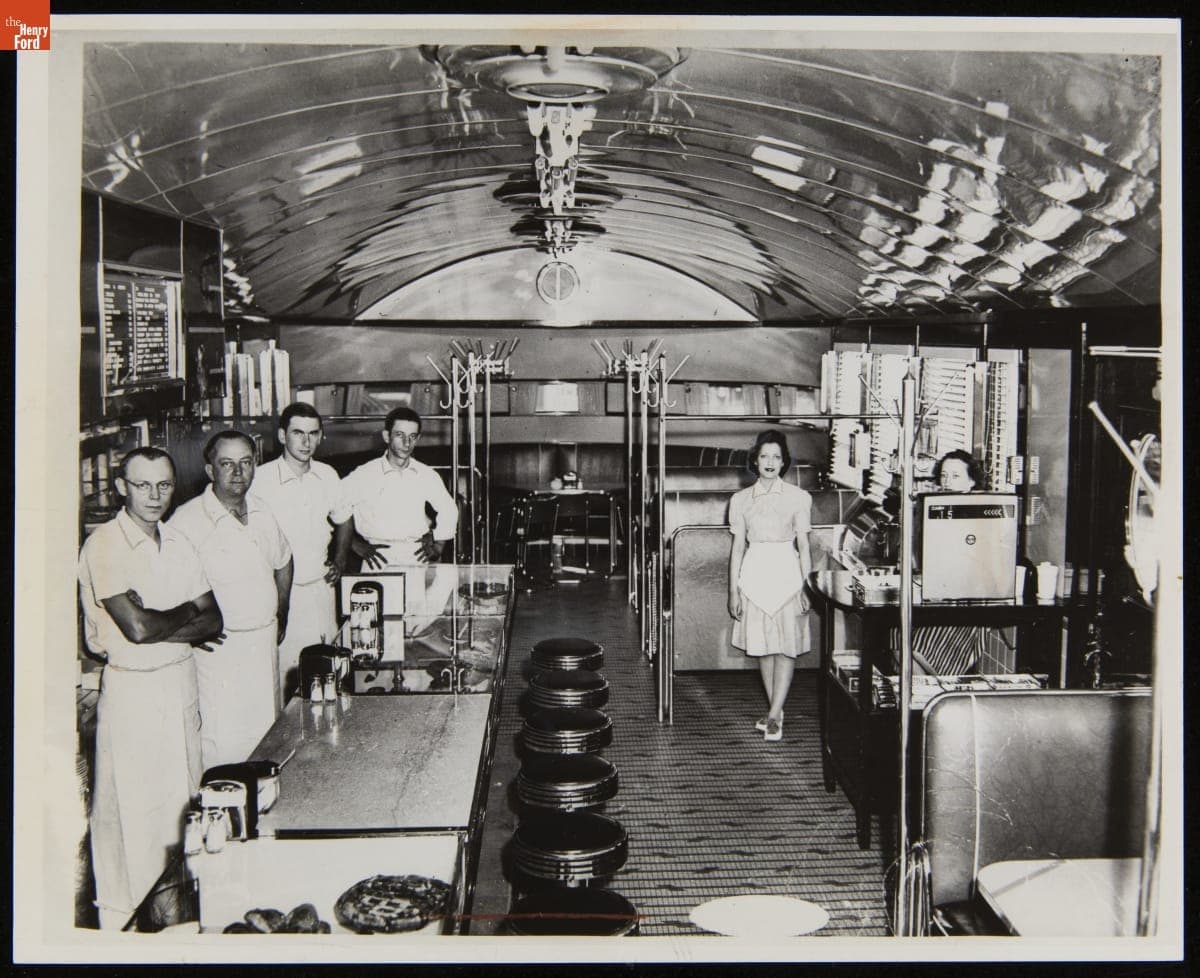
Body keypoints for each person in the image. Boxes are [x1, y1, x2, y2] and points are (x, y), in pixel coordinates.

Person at [78, 447, 223, 929]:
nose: (154, 495)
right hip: (134, 693)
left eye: (163, 485)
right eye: (142, 485)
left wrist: (164, 618)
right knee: (133, 817)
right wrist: (184, 613)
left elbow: (215, 619)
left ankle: (177, 925)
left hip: (180, 685)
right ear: (122, 487)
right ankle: (124, 931)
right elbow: (136, 629)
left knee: (182, 811)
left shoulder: (179, 542)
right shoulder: (104, 545)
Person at [170, 430, 293, 767]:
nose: (238, 473)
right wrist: (193, 631)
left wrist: (281, 610)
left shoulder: (263, 510)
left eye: (246, 463)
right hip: (220, 654)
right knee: (223, 743)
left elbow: (283, 561)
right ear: (210, 470)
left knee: (267, 734)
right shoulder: (186, 521)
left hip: (263, 642)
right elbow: (169, 590)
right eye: (227, 464)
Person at [252, 403, 353, 702]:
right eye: (298, 433)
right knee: (287, 675)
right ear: (282, 436)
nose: (306, 442)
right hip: (282, 592)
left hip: (321, 589)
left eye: (313, 434)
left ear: (321, 436)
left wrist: (340, 560)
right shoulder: (259, 480)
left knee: (328, 671)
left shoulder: (327, 475)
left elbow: (344, 519)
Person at [727, 431, 813, 742]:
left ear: (784, 462)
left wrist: (807, 586)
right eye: (764, 456)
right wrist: (733, 590)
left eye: (777, 457)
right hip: (754, 574)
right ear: (755, 460)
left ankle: (775, 713)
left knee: (786, 645)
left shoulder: (799, 498)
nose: (770, 463)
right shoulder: (739, 500)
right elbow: (737, 548)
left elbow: (804, 546)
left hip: (788, 574)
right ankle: (775, 709)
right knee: (762, 646)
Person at [334, 406, 458, 571]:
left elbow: (449, 509)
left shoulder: (426, 474)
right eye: (400, 435)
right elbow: (334, 505)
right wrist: (355, 545)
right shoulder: (364, 474)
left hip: (416, 556)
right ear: (387, 436)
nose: (407, 443)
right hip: (377, 559)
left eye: (412, 436)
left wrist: (439, 543)